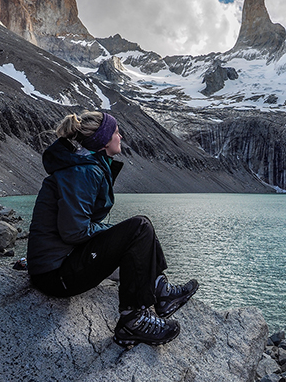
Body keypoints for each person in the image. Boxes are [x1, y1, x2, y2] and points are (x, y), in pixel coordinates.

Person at [27, 110, 198, 348]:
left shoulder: (89, 165)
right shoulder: (83, 171)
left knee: (137, 231)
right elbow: (73, 232)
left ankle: (160, 290)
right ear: (104, 141)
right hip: (55, 276)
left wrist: (113, 235)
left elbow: (76, 228)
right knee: (139, 228)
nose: (120, 136)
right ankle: (132, 320)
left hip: (60, 264)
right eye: (116, 132)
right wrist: (113, 233)